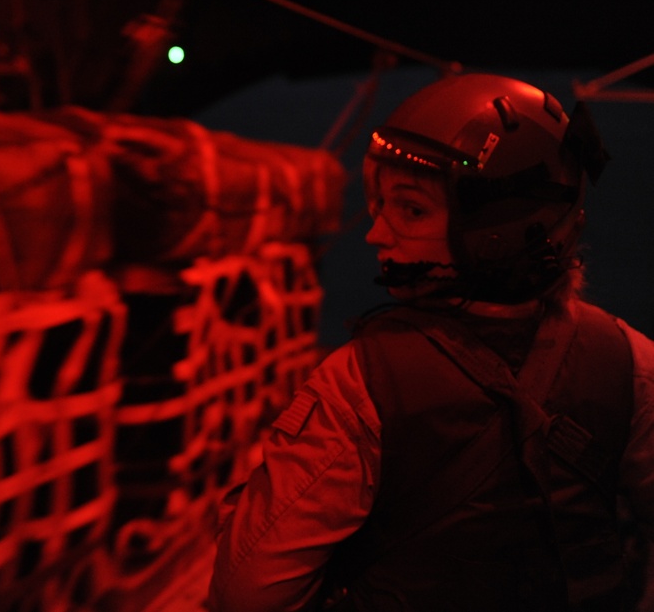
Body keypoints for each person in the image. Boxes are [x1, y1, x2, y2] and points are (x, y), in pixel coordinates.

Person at [207, 73, 654, 611]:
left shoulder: (359, 384)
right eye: (381, 205)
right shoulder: (631, 362)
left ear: (496, 227)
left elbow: (248, 594)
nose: (376, 233)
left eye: (411, 208)